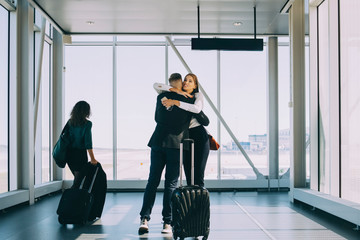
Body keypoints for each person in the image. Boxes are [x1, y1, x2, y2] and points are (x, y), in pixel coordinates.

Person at [139, 73, 195, 234]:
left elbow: (157, 87)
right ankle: (167, 223)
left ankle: (144, 219)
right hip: (176, 145)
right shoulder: (189, 100)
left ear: (170, 83)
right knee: (170, 184)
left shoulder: (161, 97)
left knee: (152, 181)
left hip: (158, 141)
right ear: (181, 85)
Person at [155, 73, 210, 188]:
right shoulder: (177, 95)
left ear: (195, 86)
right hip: (184, 136)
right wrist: (176, 91)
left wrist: (176, 102)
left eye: (190, 81)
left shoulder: (196, 96)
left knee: (198, 174)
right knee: (189, 173)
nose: (186, 82)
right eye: (185, 80)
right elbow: (157, 85)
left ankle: (199, 204)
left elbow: (196, 109)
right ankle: (191, 204)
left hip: (198, 135)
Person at [66, 101, 98, 188]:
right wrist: (92, 158)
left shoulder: (70, 123)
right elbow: (88, 143)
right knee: (77, 181)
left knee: (77, 179)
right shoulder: (87, 124)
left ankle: (73, 199)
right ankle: (70, 199)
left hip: (69, 154)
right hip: (80, 154)